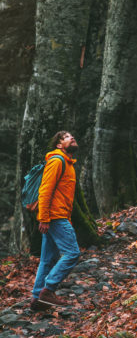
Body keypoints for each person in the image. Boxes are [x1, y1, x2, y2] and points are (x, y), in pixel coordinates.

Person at [30, 131, 80, 311]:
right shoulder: (57, 161)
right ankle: (48, 289)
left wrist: (67, 218)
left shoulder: (68, 164)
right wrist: (43, 218)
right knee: (72, 253)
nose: (71, 138)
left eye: (72, 136)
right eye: (66, 137)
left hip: (58, 216)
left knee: (47, 259)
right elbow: (45, 191)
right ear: (59, 145)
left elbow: (63, 196)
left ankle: (38, 298)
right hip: (53, 216)